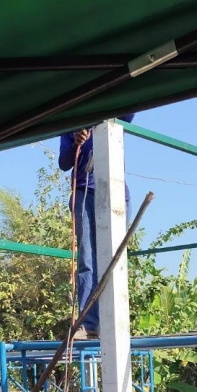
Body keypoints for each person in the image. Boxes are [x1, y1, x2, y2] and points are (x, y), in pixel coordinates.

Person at [58, 116, 135, 339]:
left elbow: (129, 111)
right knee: (88, 261)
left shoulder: (111, 115)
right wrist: (76, 142)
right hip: (84, 193)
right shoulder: (70, 123)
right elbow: (64, 163)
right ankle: (89, 324)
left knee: (114, 260)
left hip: (114, 191)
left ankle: (115, 321)